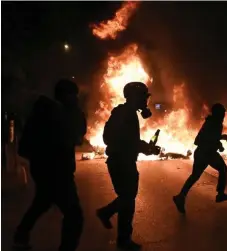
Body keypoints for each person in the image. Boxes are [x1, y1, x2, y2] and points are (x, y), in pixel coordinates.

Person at [14, 79, 87, 251]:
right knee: (74, 215)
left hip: (44, 169)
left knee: (42, 202)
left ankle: (20, 235)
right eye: (72, 95)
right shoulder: (57, 114)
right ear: (65, 95)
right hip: (57, 171)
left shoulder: (45, 111)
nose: (75, 98)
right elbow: (76, 134)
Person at [96, 82, 161, 251]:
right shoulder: (125, 114)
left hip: (122, 161)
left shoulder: (126, 113)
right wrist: (146, 148)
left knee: (127, 197)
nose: (146, 101)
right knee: (128, 200)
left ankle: (106, 213)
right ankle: (123, 240)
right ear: (135, 97)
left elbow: (126, 140)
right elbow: (124, 140)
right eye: (143, 97)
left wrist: (145, 147)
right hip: (121, 162)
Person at [173, 103, 227, 214]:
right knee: (223, 169)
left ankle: (181, 196)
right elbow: (201, 139)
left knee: (195, 176)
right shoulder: (215, 123)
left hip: (201, 153)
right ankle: (220, 194)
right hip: (207, 153)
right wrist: (219, 141)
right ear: (218, 113)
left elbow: (207, 138)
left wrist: (219, 141)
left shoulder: (211, 122)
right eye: (222, 113)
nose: (224, 115)